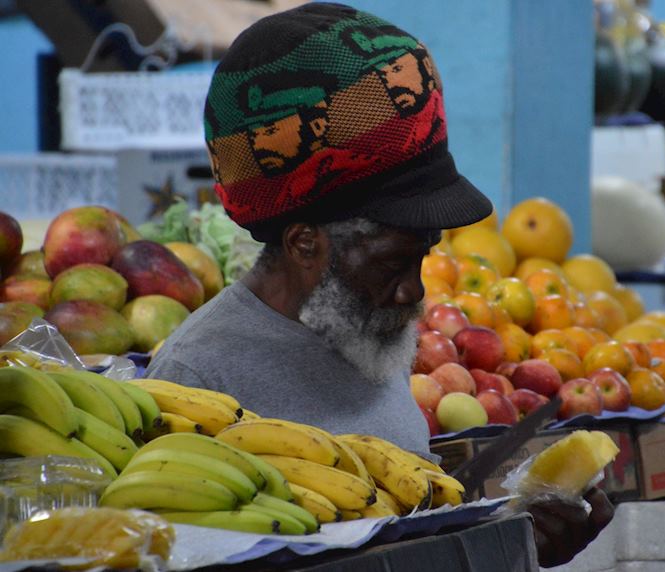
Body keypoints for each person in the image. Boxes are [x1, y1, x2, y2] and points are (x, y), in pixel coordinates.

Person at [147, 3, 612, 566]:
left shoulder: (364, 333)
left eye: (423, 257)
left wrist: (519, 543)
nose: (414, 292)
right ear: (304, 244)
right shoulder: (196, 380)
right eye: (395, 262)